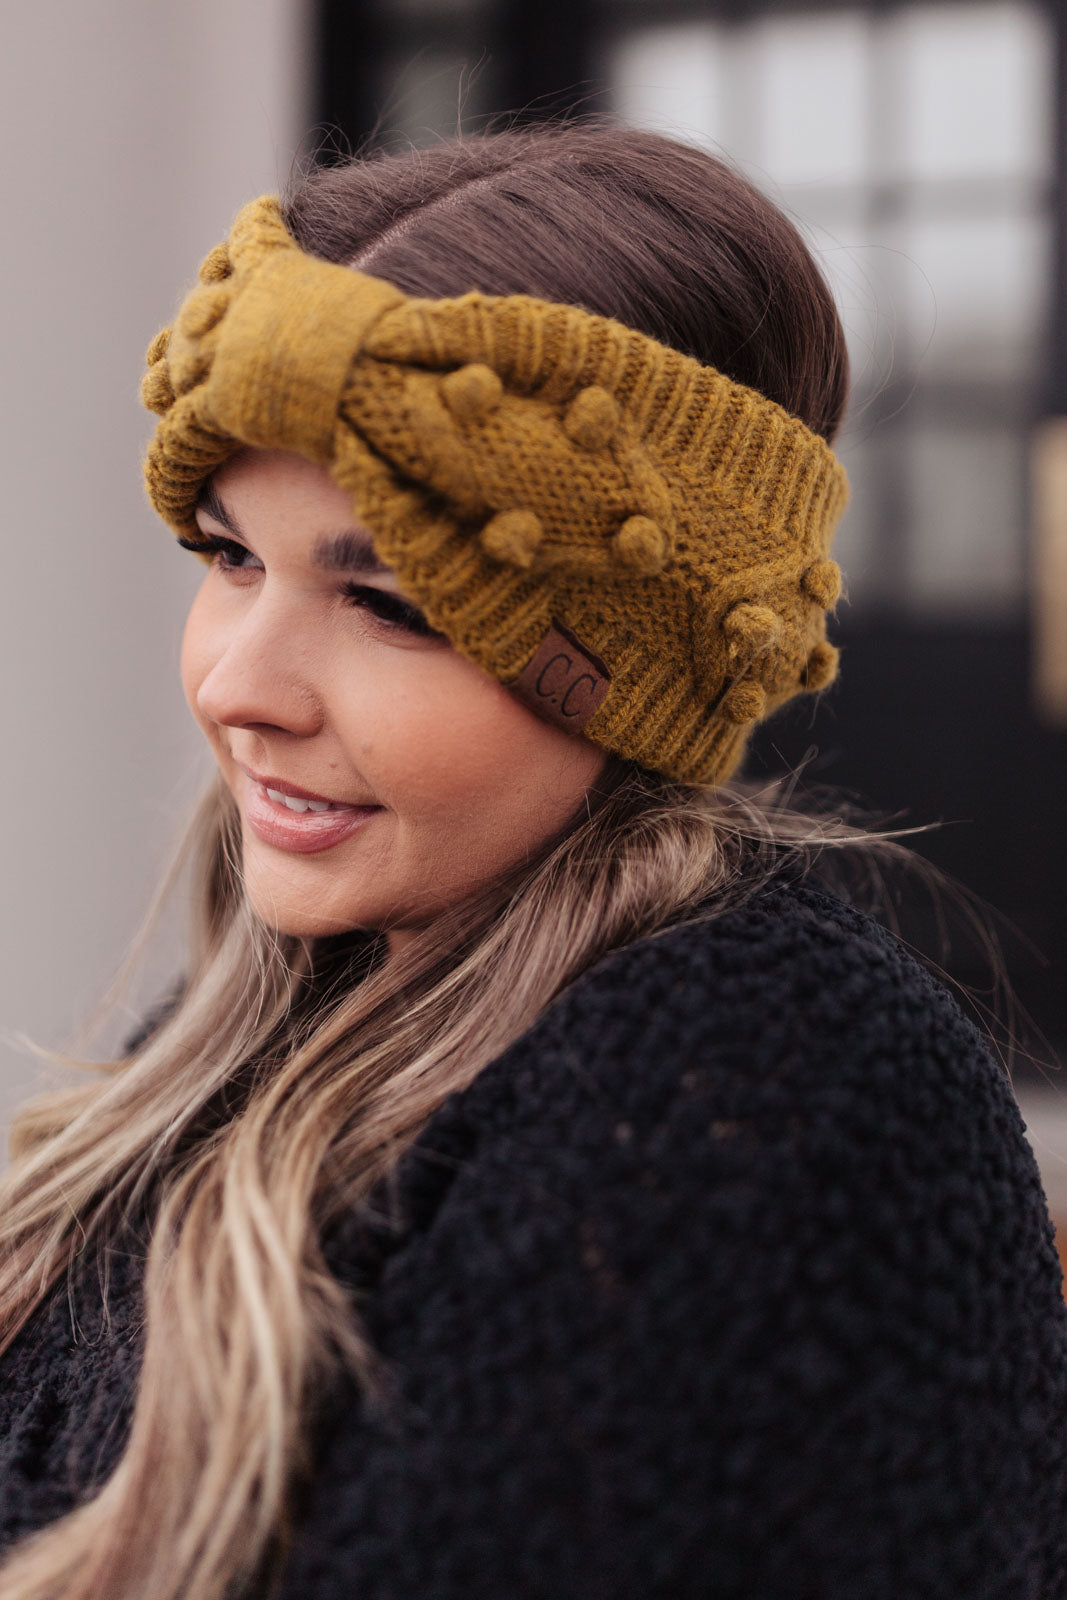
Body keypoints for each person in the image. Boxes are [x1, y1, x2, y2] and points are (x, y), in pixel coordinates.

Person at [0, 119, 1062, 1600]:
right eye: (231, 556)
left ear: (633, 664)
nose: (242, 682)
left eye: (394, 604)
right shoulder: (275, 1009)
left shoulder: (756, 1099)